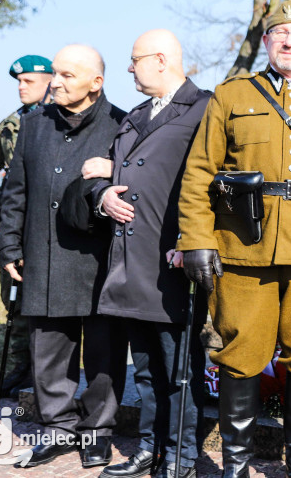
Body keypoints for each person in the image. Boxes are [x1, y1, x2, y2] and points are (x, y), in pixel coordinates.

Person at [177, 0, 291, 478]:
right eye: (280, 33)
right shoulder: (231, 96)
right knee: (239, 356)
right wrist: (197, 238)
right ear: (266, 42)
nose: (289, 41)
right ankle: (235, 466)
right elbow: (200, 172)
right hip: (243, 248)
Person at [85, 31, 212, 478]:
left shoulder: (204, 108)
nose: (129, 68)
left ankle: (181, 455)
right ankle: (149, 447)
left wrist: (194, 241)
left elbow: (213, 182)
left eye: (134, 60)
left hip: (171, 259)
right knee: (144, 367)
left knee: (179, 368)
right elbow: (107, 170)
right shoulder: (137, 115)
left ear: (160, 59)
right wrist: (102, 193)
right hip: (129, 261)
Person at [0, 45, 128, 469]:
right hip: (42, 252)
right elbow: (16, 191)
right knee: (49, 346)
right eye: (55, 73)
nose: (56, 82)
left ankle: (97, 430)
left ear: (96, 82)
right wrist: (9, 246)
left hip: (97, 257)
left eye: (68, 75)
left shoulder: (121, 125)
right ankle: (57, 428)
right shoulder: (34, 125)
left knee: (104, 350)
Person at [0, 53, 53, 399]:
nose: (21, 87)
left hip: (49, 229)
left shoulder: (58, 119)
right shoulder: (10, 123)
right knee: (15, 299)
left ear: (50, 79)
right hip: (14, 227)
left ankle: (47, 373)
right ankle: (22, 370)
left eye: (28, 81)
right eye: (18, 82)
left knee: (50, 305)